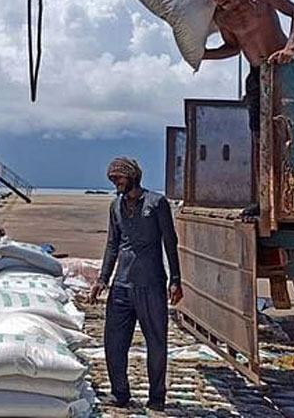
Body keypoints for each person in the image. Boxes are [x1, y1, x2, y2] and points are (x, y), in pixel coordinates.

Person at [201, 0, 294, 214]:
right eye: (217, 0)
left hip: (285, 69)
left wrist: (291, 47)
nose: (223, 3)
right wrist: (204, 55)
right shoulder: (222, 18)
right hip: (257, 74)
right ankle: (264, 200)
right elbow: (232, 47)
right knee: (260, 139)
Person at [88, 157, 183, 411]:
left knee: (157, 343)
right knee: (114, 343)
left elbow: (170, 242)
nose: (115, 183)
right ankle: (120, 393)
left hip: (151, 284)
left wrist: (176, 279)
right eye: (112, 179)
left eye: (118, 178)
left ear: (132, 177)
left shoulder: (157, 203)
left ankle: (157, 397)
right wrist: (102, 280)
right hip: (121, 285)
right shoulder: (115, 206)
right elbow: (112, 244)